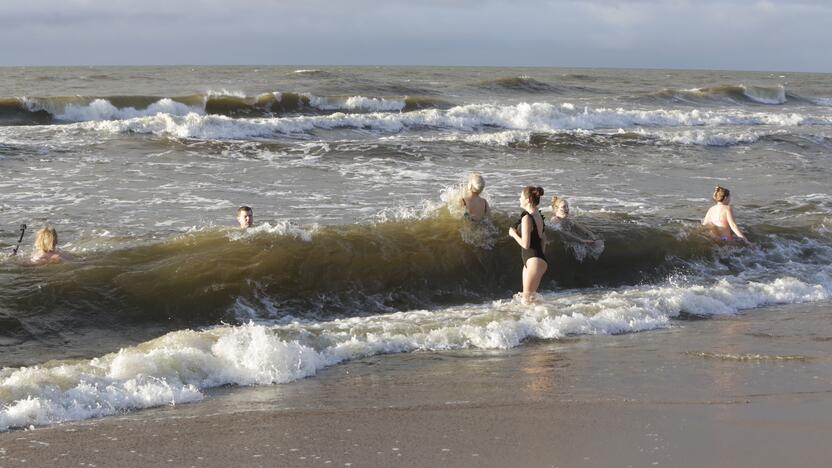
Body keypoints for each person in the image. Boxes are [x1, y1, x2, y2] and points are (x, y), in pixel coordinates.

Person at [509, 186, 547, 304]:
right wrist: (540, 257)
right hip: (534, 260)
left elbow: (525, 245)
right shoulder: (538, 215)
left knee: (526, 300)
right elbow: (544, 239)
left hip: (533, 260)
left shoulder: (527, 218)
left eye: (521, 197)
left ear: (528, 200)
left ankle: (542, 319)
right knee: (528, 300)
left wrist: (513, 234)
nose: (519, 199)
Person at [550, 196, 604, 262]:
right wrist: (581, 240)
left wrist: (591, 234)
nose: (567, 209)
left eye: (567, 206)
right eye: (564, 207)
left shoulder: (568, 220)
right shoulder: (555, 220)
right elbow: (564, 232)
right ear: (556, 209)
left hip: (570, 242)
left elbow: (582, 228)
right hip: (559, 248)